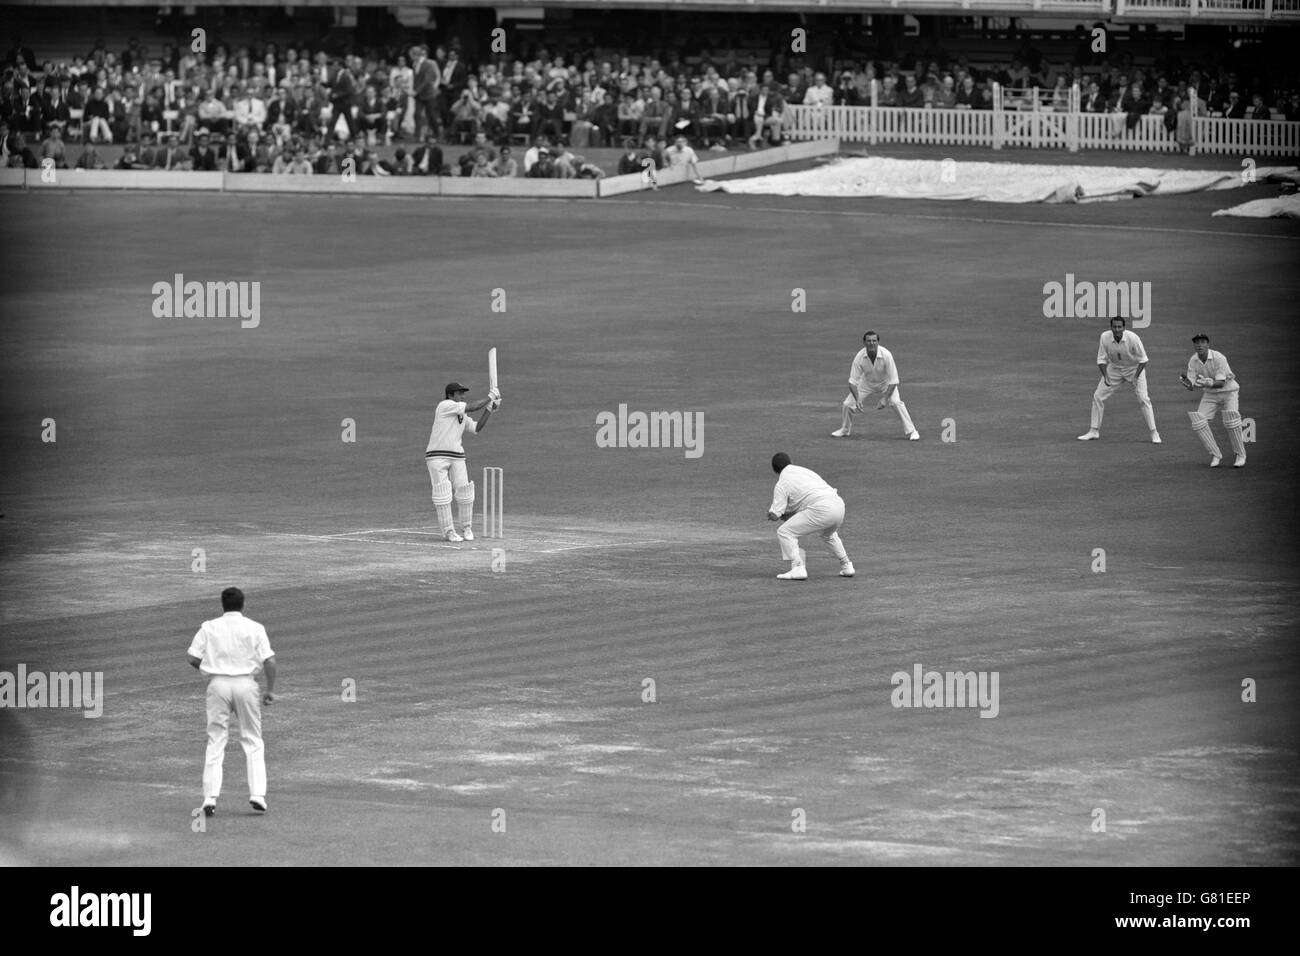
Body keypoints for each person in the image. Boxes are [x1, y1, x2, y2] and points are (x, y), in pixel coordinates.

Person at [186, 587, 276, 816]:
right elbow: (270, 661)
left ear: (222, 604)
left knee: (216, 739)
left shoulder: (209, 627)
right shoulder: (255, 628)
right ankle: (257, 795)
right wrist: (270, 690)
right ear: (243, 604)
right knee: (253, 739)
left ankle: (209, 798)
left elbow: (192, 657)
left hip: (217, 685)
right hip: (246, 685)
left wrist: (208, 669)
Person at [425, 381, 500, 542]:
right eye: (459, 393)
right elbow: (472, 406)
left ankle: (467, 528)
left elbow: (476, 428)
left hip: (457, 455)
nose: (462, 396)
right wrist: (490, 396)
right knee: (443, 494)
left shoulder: (461, 413)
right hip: (437, 455)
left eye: (463, 393)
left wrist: (489, 410)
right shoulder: (445, 405)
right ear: (451, 395)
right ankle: (449, 531)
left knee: (465, 492)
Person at [766, 452, 855, 581]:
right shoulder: (806, 471)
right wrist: (790, 514)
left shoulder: (782, 483)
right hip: (838, 504)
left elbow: (775, 515)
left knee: (784, 532)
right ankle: (847, 566)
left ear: (775, 470)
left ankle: (798, 568)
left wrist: (770, 514)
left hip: (821, 508)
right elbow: (810, 496)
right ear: (790, 461)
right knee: (828, 534)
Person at [1078, 316, 1160, 443]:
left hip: (1134, 369)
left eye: (1119, 327)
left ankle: (1154, 433)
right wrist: (1105, 376)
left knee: (1144, 399)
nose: (1117, 329)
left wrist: (1136, 377)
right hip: (1114, 369)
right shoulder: (1104, 337)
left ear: (1124, 328)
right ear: (1111, 327)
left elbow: (1143, 360)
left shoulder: (1133, 338)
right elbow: (1101, 359)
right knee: (1098, 396)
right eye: (1114, 327)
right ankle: (1094, 431)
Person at [832, 330, 920, 441]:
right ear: (864, 343)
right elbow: (852, 382)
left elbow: (894, 380)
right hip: (866, 383)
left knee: (896, 403)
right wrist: (858, 399)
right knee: (848, 404)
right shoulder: (859, 357)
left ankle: (912, 431)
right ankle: (845, 430)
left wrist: (885, 399)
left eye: (874, 341)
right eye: (869, 341)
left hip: (886, 383)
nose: (871, 343)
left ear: (878, 342)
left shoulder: (887, 355)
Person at [1180, 333, 1245, 468]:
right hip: (1210, 395)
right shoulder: (1193, 360)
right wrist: (1188, 385)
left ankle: (1240, 455)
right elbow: (1192, 382)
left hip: (1229, 391)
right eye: (1197, 342)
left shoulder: (1219, 357)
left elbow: (1221, 383)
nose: (1199, 345)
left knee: (1231, 421)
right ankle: (1216, 455)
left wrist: (1207, 384)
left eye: (1202, 342)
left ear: (1208, 344)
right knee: (1198, 421)